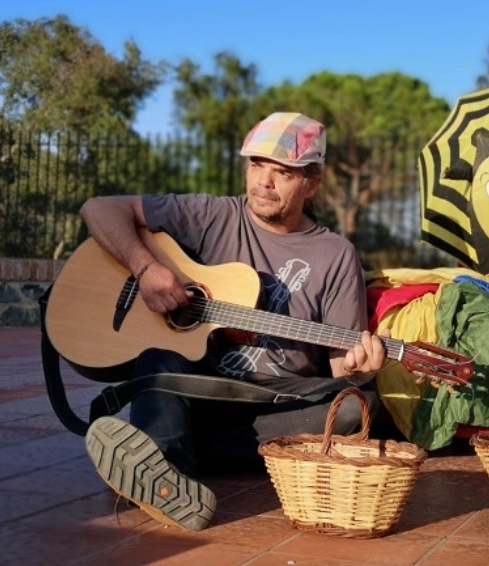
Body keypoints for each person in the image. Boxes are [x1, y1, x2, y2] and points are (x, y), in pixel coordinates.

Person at [78, 112, 387, 531]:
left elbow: (337, 367)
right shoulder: (210, 215)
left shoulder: (336, 254)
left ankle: (164, 454)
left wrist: (353, 368)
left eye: (283, 173)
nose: (264, 182)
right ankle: (168, 469)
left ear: (311, 184)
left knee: (357, 405)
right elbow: (99, 209)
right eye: (256, 165)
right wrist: (146, 267)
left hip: (275, 405)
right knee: (159, 359)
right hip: (199, 388)